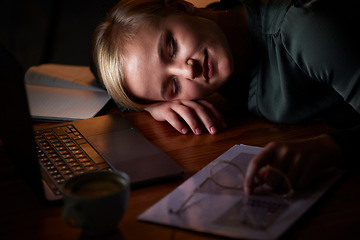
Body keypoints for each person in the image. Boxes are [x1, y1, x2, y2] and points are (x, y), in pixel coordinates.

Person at [92, 0, 360, 195]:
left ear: (181, 6)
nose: (188, 70)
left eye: (171, 47)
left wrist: (331, 149)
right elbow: (103, 74)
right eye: (173, 85)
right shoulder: (212, 43)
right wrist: (154, 107)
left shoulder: (305, 31)